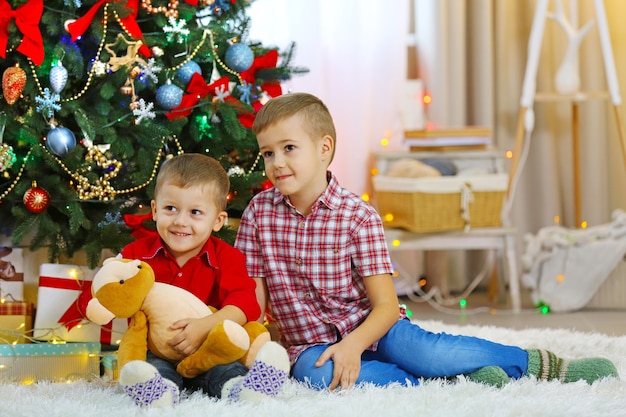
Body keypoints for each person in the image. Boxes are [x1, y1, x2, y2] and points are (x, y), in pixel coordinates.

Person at [234, 92, 619, 391]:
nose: (277, 163)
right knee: (317, 378)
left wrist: (354, 345)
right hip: (310, 345)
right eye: (268, 153)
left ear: (324, 149)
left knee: (425, 351)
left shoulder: (358, 216)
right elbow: (255, 298)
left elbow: (385, 307)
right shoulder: (258, 214)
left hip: (375, 327)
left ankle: (539, 364)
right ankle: (449, 381)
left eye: (288, 148)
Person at [118, 153, 289, 406]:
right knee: (153, 367)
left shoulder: (227, 257)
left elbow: (245, 304)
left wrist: (205, 326)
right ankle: (158, 393)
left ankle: (244, 391)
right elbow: (114, 296)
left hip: (208, 349)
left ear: (217, 220)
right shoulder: (135, 256)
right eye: (170, 208)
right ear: (155, 210)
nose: (180, 221)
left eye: (195, 212)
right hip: (156, 348)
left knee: (226, 368)